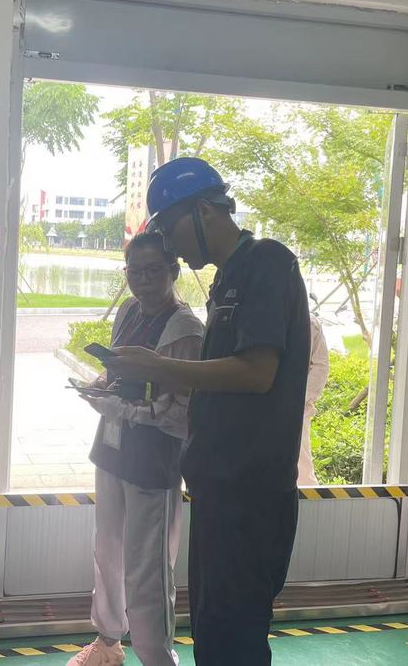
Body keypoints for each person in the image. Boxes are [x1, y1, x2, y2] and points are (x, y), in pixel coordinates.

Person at [106, 157, 310, 665]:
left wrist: (159, 366)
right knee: (214, 631)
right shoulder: (226, 280)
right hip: (219, 486)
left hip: (251, 494)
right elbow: (218, 381)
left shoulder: (267, 263)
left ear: (204, 211)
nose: (171, 246)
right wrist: (144, 378)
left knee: (234, 637)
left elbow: (256, 372)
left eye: (170, 231)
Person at [69, 232, 204, 666]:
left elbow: (182, 412)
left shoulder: (185, 331)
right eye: (135, 271)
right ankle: (108, 642)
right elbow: (118, 372)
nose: (143, 281)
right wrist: (100, 387)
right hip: (112, 450)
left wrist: (123, 408)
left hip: (153, 461)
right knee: (107, 550)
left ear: (174, 272)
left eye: (153, 271)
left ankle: (157, 658)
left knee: (148, 570)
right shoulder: (129, 311)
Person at [297, 314, 330, 486]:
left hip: (297, 411)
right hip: (264, 405)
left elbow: (320, 367)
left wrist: (299, 399)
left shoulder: (309, 322)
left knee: (301, 466)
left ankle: (306, 500)